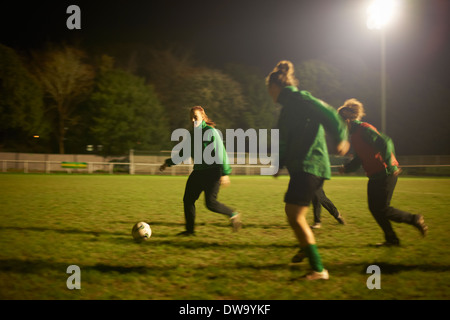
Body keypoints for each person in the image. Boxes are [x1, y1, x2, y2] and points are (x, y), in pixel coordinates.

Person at [266, 60, 349, 280]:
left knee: (294, 215)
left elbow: (329, 113)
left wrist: (340, 136)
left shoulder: (299, 99)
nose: (269, 94)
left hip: (310, 165)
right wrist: (279, 164)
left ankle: (318, 270)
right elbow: (284, 142)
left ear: (275, 87)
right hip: (305, 167)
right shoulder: (286, 111)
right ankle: (306, 245)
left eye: (269, 89)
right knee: (296, 215)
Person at [337, 98, 428, 246]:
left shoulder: (364, 129)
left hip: (385, 173)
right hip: (374, 175)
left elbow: (385, 142)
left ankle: (414, 219)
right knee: (375, 208)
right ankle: (391, 239)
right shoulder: (354, 136)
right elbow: (360, 157)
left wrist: (389, 164)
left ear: (346, 120)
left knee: (382, 208)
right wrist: (347, 168)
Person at [160, 106, 241, 236]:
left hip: (213, 172)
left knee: (210, 204)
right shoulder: (191, 134)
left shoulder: (211, 132)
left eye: (195, 117)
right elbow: (183, 153)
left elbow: (221, 153)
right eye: (191, 117)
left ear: (203, 117)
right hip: (198, 172)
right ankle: (189, 231)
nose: (192, 120)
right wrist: (168, 163)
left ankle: (233, 214)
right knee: (188, 200)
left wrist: (225, 173)